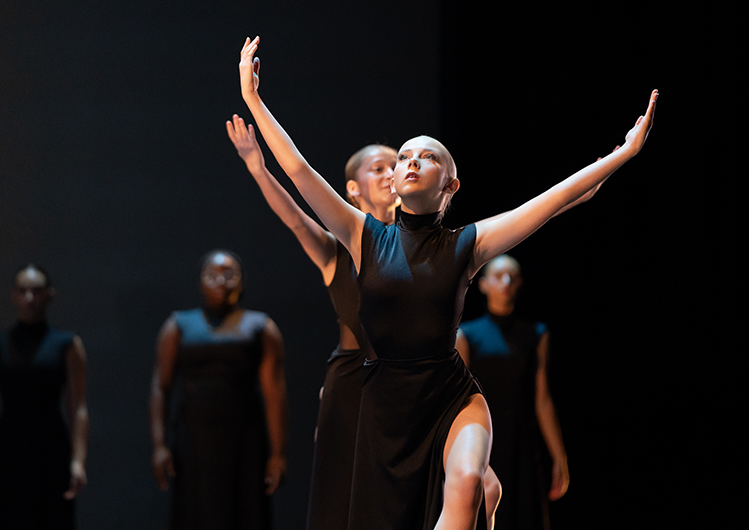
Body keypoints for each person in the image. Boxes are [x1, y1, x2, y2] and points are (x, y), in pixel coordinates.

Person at [237, 36, 657, 530]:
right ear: (393, 183)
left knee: (466, 484)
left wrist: (623, 154)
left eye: (428, 157)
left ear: (450, 185)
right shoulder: (361, 235)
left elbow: (551, 200)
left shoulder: (468, 244)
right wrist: (254, 100)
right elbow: (299, 171)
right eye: (405, 157)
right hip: (385, 404)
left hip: (451, 396)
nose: (412, 161)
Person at [226, 117, 399, 529]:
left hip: (402, 383)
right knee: (342, 499)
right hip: (351, 386)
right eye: (379, 168)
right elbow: (296, 218)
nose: (391, 173)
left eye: (396, 165)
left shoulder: (422, 247)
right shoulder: (334, 250)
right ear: (352, 189)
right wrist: (257, 167)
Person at [149, 249, 288, 530]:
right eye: (212, 275)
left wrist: (278, 453)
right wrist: (159, 446)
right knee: (196, 514)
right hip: (194, 441)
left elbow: (274, 393)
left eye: (229, 274)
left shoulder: (261, 327)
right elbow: (160, 388)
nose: (221, 281)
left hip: (244, 441)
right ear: (200, 282)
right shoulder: (178, 326)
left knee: (245, 514)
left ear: (242, 280)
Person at [0, 264, 89, 530]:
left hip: (50, 447)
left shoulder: (67, 345)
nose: (29, 298)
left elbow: (78, 407)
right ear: (13, 296)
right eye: (22, 291)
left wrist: (78, 460)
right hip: (9, 447)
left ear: (49, 295)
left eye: (36, 291)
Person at [456, 255, 568, 530]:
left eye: (512, 277)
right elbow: (457, 399)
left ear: (519, 284)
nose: (505, 282)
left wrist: (559, 456)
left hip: (523, 442)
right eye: (498, 276)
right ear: (482, 285)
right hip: (485, 441)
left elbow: (542, 400)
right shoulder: (466, 335)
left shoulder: (535, 334)